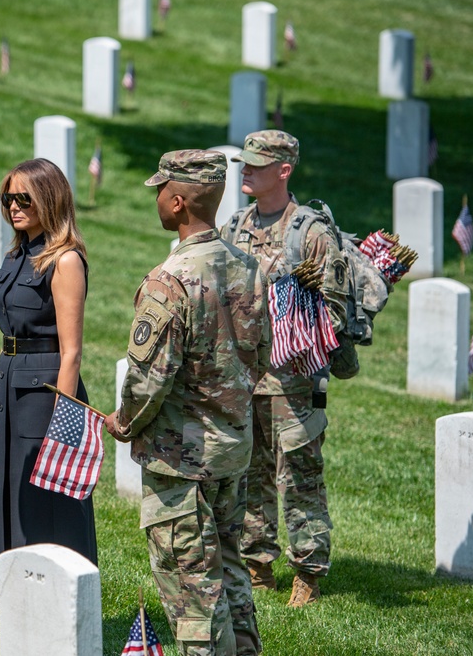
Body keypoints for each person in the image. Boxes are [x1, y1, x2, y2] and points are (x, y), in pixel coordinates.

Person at [104, 150, 271, 655]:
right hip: (233, 450)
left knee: (190, 587)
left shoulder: (169, 280)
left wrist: (125, 422)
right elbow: (261, 356)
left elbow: (147, 380)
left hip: (182, 464)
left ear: (177, 203)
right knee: (229, 568)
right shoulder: (250, 268)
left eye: (160, 190)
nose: (155, 197)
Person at [220, 130, 347, 607]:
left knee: (299, 477)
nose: (245, 170)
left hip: (291, 382)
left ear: (284, 170)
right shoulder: (234, 226)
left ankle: (308, 573)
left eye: (256, 163)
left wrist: (287, 319)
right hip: (243, 378)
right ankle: (256, 563)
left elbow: (331, 312)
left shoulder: (311, 231)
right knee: (248, 475)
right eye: (244, 162)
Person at [0, 158, 97, 586]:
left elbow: (71, 353)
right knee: (15, 495)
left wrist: (63, 423)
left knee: (48, 502)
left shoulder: (64, 260)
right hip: (11, 390)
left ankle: (61, 593)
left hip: (46, 393)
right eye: (7, 198)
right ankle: (22, 590)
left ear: (48, 199)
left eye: (23, 198)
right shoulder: (17, 254)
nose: (13, 206)